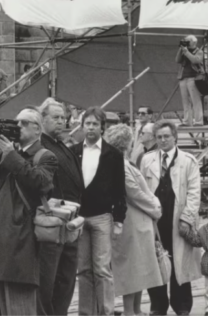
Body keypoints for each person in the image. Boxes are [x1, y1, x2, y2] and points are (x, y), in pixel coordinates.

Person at [0, 108, 58, 315]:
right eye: (16, 122)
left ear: (38, 129)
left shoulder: (46, 155)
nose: (18, 127)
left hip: (22, 235)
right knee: (2, 301)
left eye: (24, 123)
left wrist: (11, 154)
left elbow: (41, 183)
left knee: (19, 302)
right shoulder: (10, 151)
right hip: (1, 232)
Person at [141, 121, 203, 316]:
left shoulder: (188, 161)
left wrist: (186, 218)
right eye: (159, 137)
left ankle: (182, 306)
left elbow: (194, 192)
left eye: (166, 136)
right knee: (156, 261)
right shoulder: (147, 160)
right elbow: (142, 190)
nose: (162, 140)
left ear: (175, 137)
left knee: (180, 263)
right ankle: (158, 306)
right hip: (155, 220)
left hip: (178, 220)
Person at [104, 123, 163, 316]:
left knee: (139, 269)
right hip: (131, 223)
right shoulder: (120, 164)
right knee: (131, 270)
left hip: (139, 223)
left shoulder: (124, 163)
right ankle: (130, 311)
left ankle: (136, 309)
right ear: (126, 143)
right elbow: (134, 192)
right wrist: (155, 206)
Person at [73, 106, 127, 315]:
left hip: (102, 217)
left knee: (102, 269)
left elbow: (119, 188)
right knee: (84, 270)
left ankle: (106, 311)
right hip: (79, 218)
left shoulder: (112, 154)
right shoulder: (74, 152)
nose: (91, 128)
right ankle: (86, 312)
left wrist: (119, 219)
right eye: (88, 123)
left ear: (102, 127)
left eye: (95, 124)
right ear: (82, 126)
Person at [37, 99, 84, 316]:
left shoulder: (62, 144)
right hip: (52, 221)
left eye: (63, 117)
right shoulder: (39, 146)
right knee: (48, 278)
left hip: (71, 221)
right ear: (42, 119)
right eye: (55, 117)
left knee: (66, 277)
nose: (61, 121)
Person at [175, 36, 205, 127]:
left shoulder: (199, 51)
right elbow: (177, 60)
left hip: (194, 78)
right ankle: (187, 121)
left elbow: (195, 60)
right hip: (183, 78)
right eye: (185, 41)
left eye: (188, 41)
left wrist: (186, 51)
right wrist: (181, 49)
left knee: (195, 100)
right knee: (185, 101)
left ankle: (199, 121)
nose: (186, 43)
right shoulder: (184, 50)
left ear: (194, 42)